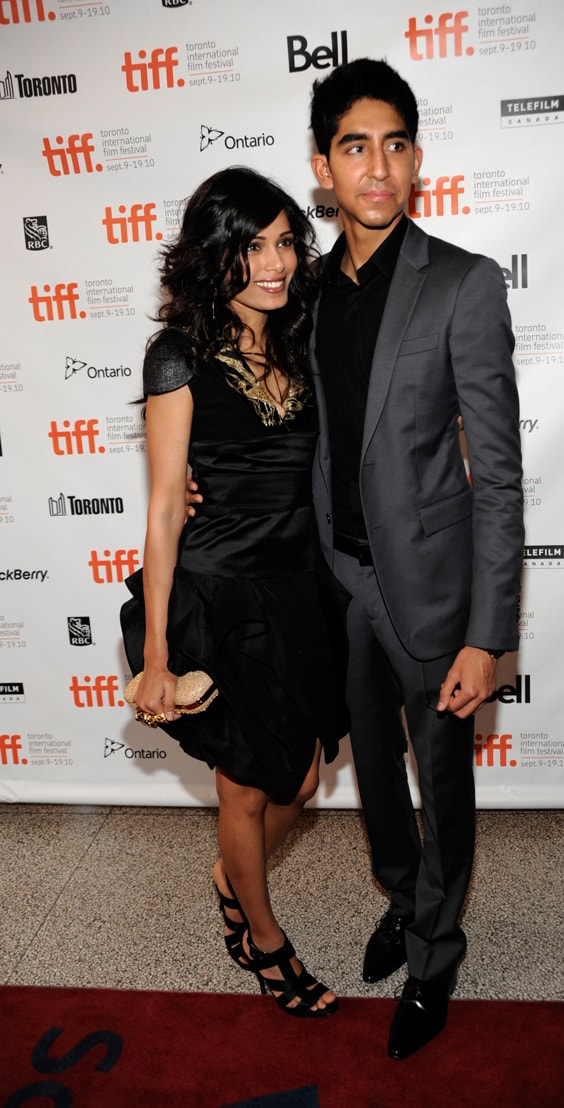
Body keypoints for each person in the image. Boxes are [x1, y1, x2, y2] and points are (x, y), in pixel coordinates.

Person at [307, 59, 524, 1058]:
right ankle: (402, 894)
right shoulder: (304, 292)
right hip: (338, 585)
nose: (378, 165)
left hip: (430, 592)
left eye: (395, 143)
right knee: (374, 778)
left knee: (442, 779)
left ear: (417, 158)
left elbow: (501, 471)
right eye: (356, 146)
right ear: (324, 168)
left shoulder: (465, 284)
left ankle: (436, 950)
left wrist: (490, 634)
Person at [120, 166, 348, 1018]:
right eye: (252, 246)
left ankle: (227, 873)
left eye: (286, 241)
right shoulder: (177, 356)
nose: (275, 263)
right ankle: (264, 940)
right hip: (219, 596)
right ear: (216, 255)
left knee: (299, 782)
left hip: (297, 589)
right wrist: (156, 656)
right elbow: (163, 513)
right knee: (247, 787)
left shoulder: (298, 332)